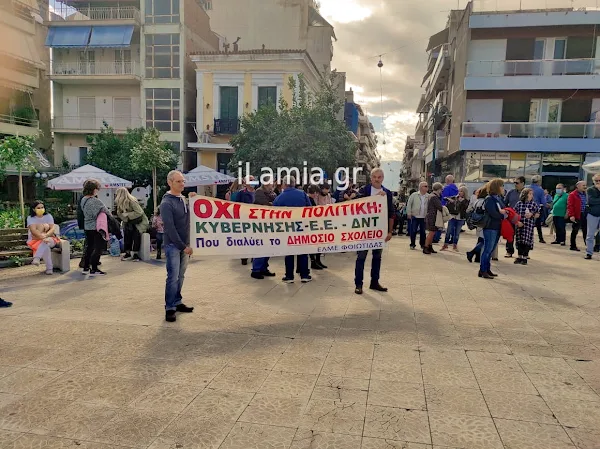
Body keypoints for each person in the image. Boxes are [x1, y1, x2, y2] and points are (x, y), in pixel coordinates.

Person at [160, 170, 195, 322]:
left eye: (183, 181)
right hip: (174, 245)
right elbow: (170, 228)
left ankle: (177, 301)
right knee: (172, 277)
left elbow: (188, 219)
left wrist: (193, 201)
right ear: (170, 183)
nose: (182, 184)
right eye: (178, 181)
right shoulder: (166, 203)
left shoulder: (182, 199)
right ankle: (169, 307)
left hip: (184, 244)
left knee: (180, 275)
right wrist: (183, 246)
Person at [354, 168, 394, 294]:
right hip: (364, 230)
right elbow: (357, 205)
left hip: (379, 231)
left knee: (377, 257)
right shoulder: (363, 190)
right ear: (371, 178)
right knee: (361, 257)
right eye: (374, 177)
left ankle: (374, 282)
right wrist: (375, 198)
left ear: (382, 178)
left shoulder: (387, 193)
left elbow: (391, 213)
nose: (377, 179)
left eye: (379, 177)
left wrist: (390, 231)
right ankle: (358, 284)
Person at [273, 176, 312, 283]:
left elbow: (274, 215)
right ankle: (304, 275)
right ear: (294, 183)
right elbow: (310, 210)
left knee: (289, 252)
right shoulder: (302, 194)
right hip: (302, 227)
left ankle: (289, 276)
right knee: (303, 252)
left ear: (284, 184)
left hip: (287, 229)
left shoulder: (279, 198)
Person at [81, 179, 111, 276]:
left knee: (89, 247)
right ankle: (94, 269)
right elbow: (106, 211)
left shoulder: (83, 199)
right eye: (97, 189)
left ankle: (86, 267)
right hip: (97, 227)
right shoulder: (95, 201)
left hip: (87, 226)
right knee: (98, 248)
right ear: (93, 189)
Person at [479, 178, 506, 279]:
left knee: (490, 250)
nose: (503, 188)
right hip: (490, 227)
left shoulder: (497, 198)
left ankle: (487, 269)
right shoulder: (489, 199)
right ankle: (483, 270)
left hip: (496, 227)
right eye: (502, 186)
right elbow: (493, 213)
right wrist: (502, 215)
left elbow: (503, 208)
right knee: (487, 249)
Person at [250, 182, 277, 279]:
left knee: (269, 247)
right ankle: (256, 270)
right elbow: (266, 204)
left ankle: (264, 268)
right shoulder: (259, 192)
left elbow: (275, 203)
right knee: (261, 247)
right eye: (271, 183)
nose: (273, 185)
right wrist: (271, 203)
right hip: (261, 223)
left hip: (269, 223)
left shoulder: (271, 193)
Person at [115, 187, 149, 262]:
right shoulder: (120, 203)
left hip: (139, 222)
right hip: (129, 223)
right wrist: (126, 217)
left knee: (136, 235)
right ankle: (129, 253)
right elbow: (119, 213)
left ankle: (135, 254)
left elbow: (139, 212)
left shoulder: (132, 201)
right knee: (127, 235)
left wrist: (127, 214)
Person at [26, 200, 59, 275]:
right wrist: (42, 238)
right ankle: (49, 268)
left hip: (50, 238)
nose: (41, 209)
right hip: (35, 240)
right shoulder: (30, 218)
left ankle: (37, 258)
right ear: (33, 209)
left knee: (46, 242)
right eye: (38, 208)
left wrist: (46, 236)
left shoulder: (48, 216)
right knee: (45, 246)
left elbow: (52, 228)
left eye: (42, 207)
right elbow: (33, 231)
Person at [514, 188, 540, 265]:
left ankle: (525, 257)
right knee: (519, 240)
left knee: (527, 240)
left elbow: (538, 214)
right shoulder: (519, 204)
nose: (531, 195)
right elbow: (514, 213)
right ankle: (519, 256)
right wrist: (517, 221)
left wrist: (532, 214)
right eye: (529, 194)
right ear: (525, 194)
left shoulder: (533, 204)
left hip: (528, 225)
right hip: (520, 224)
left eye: (532, 194)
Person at [237, 176, 257, 266]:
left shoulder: (257, 193)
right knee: (245, 239)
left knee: (255, 239)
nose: (253, 182)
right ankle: (244, 257)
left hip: (256, 220)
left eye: (253, 180)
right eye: (251, 180)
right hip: (244, 219)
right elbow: (236, 206)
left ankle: (254, 257)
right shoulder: (241, 193)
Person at [503, 176, 526, 257]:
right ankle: (509, 251)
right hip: (511, 217)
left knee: (522, 236)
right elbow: (504, 203)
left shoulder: (527, 193)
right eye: (515, 183)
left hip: (523, 218)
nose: (515, 184)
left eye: (517, 183)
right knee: (510, 234)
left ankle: (523, 252)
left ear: (523, 183)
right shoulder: (511, 192)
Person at [441, 186, 469, 251]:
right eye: (459, 191)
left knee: (457, 233)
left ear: (464, 192)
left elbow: (464, 207)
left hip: (460, 218)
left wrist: (457, 202)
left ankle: (455, 245)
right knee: (448, 231)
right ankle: (445, 245)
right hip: (453, 217)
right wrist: (449, 200)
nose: (459, 193)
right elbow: (445, 198)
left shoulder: (466, 200)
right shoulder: (455, 197)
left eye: (461, 191)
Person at [307, 185, 328, 270]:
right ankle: (314, 261)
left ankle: (317, 260)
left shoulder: (310, 199)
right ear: (315, 192)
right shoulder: (310, 200)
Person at [434, 175, 459, 243]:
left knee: (440, 222)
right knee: (452, 224)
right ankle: (453, 238)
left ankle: (436, 237)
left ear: (447, 180)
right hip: (453, 209)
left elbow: (442, 197)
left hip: (444, 207)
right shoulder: (456, 188)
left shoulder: (446, 188)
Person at [406, 182, 429, 250]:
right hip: (415, 216)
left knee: (423, 232)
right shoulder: (414, 195)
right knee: (413, 231)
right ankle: (412, 244)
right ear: (421, 187)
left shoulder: (428, 196)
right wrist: (409, 213)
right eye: (425, 186)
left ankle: (422, 244)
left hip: (423, 217)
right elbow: (409, 204)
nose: (427, 187)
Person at [567, 181, 588, 252]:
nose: (585, 187)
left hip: (584, 214)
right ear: (578, 186)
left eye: (585, 185)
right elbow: (570, 206)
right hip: (577, 215)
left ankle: (588, 245)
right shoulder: (573, 194)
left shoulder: (585, 194)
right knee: (575, 230)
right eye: (583, 185)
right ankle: (572, 246)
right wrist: (571, 215)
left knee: (586, 230)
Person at [423, 183, 443, 255]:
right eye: (441, 190)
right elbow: (440, 207)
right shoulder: (434, 197)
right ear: (438, 189)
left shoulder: (430, 195)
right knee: (431, 233)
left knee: (432, 232)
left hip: (430, 216)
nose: (441, 191)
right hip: (433, 217)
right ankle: (426, 247)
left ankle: (429, 247)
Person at [585, 174, 600, 260]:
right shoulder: (590, 190)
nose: (598, 182)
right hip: (592, 214)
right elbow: (591, 201)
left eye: (599, 181)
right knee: (590, 235)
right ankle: (589, 253)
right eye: (596, 181)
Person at [529, 175, 547, 243]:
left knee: (528, 223)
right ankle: (541, 238)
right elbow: (543, 201)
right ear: (539, 181)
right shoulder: (540, 190)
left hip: (527, 207)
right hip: (537, 208)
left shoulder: (527, 188)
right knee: (538, 224)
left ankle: (528, 237)